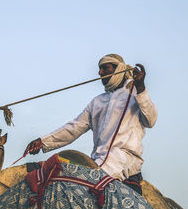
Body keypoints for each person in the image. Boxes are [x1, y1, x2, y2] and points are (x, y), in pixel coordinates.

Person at [24, 54, 157, 194]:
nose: (100, 73)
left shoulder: (136, 95)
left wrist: (141, 87)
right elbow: (74, 128)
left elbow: (151, 120)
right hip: (97, 161)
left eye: (105, 68)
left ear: (119, 69)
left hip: (124, 160)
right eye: (99, 69)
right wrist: (43, 141)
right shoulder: (97, 102)